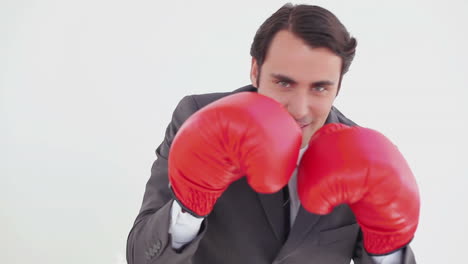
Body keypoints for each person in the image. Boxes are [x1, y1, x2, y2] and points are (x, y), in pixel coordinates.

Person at [126, 3, 419, 264]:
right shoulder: (198, 116)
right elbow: (141, 257)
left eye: (320, 87)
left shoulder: (362, 156)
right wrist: (190, 207)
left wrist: (387, 246)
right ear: (255, 70)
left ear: (338, 85)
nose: (300, 109)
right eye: (284, 83)